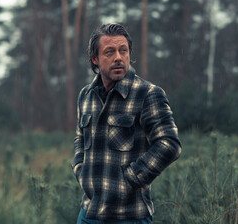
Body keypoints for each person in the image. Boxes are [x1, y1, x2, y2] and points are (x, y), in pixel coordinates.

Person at [71, 23, 182, 224]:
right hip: (89, 213)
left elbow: (170, 144)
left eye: (123, 50)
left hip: (129, 215)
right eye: (109, 52)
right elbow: (80, 137)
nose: (118, 57)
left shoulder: (147, 94)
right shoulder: (85, 96)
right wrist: (80, 168)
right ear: (95, 59)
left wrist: (130, 179)